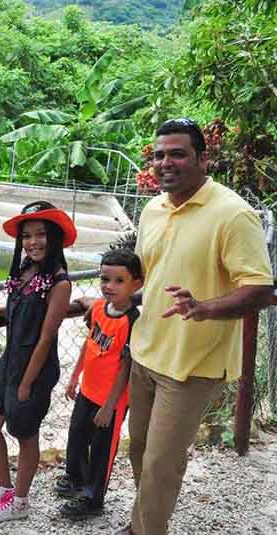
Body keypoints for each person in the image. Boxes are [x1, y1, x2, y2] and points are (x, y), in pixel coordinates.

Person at [115, 119, 274, 535]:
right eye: (160, 155)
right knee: (142, 453)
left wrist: (203, 308)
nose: (166, 162)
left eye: (178, 153)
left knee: (161, 462)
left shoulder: (233, 214)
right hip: (146, 352)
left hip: (193, 364)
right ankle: (144, 524)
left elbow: (258, 289)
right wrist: (111, 300)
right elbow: (146, 278)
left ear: (204, 158)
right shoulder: (152, 209)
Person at [0, 200, 74, 522]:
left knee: (25, 433)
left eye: (41, 234)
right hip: (10, 359)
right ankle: (3, 487)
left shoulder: (60, 282)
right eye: (27, 236)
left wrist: (27, 383)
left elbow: (46, 336)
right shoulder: (25, 270)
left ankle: (20, 502)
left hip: (35, 367)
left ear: (53, 237)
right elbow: (20, 307)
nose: (33, 242)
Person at [56, 248, 143, 520]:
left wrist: (109, 406)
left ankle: (94, 498)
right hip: (87, 390)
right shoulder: (97, 308)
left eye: (119, 281)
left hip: (111, 401)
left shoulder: (132, 321)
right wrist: (74, 377)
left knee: (102, 451)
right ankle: (76, 479)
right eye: (105, 279)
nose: (110, 286)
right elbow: (89, 344)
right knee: (77, 435)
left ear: (136, 284)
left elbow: (126, 367)